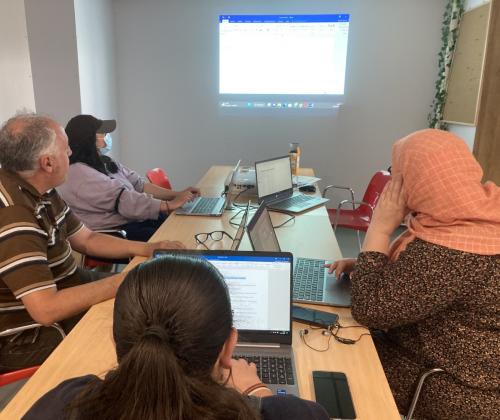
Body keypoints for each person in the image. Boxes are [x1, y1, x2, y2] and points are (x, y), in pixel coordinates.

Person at [24, 255, 329, 420]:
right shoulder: (290, 414)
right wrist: (257, 390)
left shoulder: (67, 402)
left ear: (118, 342)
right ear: (228, 348)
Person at [328, 129, 499, 419]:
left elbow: (370, 310)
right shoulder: (477, 217)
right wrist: (370, 262)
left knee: (334, 360)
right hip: (452, 363)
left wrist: (380, 228)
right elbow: (421, 281)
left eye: (399, 173)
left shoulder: (451, 250)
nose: (394, 181)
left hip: (449, 385)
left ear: (421, 180)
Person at [0, 113, 184, 373]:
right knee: (142, 334)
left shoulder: (41, 188)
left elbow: (87, 238)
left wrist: (146, 249)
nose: (72, 152)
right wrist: (123, 281)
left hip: (69, 284)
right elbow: (46, 309)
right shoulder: (14, 216)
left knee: (150, 299)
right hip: (28, 334)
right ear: (48, 163)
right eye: (66, 149)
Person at [57, 114, 200, 242]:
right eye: (102, 133)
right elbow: (124, 200)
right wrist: (168, 205)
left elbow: (140, 185)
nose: (107, 136)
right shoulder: (78, 173)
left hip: (133, 220)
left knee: (180, 224)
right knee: (175, 238)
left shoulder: (104, 162)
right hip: (115, 232)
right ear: (89, 138)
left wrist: (178, 195)